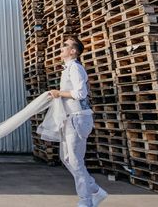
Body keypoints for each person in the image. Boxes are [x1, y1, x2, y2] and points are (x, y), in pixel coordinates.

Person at [45, 37, 108, 207]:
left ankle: (86, 201)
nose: (61, 47)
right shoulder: (67, 69)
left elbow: (81, 93)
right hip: (70, 118)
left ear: (73, 51)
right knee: (65, 157)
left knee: (75, 161)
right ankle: (95, 190)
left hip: (78, 118)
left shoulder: (76, 68)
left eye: (65, 45)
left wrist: (59, 93)